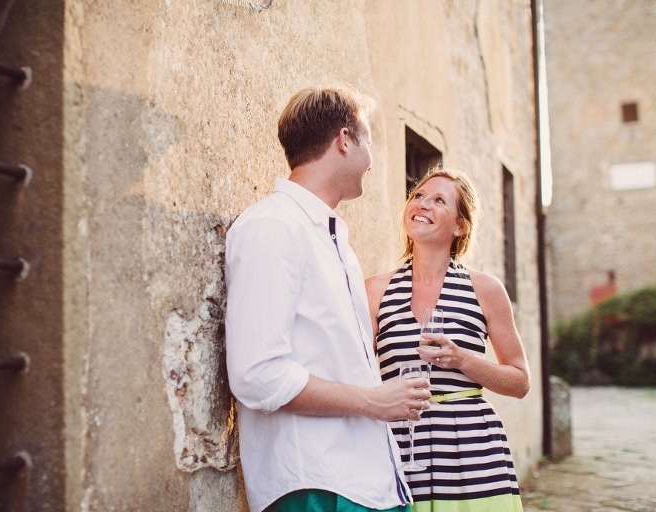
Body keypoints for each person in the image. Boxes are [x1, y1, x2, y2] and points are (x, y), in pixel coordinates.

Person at [225, 86, 431, 512]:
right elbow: (257, 373)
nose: (372, 160)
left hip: (366, 480)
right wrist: (376, 400)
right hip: (316, 485)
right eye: (368, 139)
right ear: (344, 140)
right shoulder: (273, 226)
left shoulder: (331, 238)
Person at [365, 167, 530, 512]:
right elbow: (359, 373)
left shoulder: (485, 289)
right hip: (399, 449)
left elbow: (519, 382)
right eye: (418, 196)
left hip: (474, 453)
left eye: (439, 200)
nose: (422, 204)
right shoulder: (375, 290)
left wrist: (462, 360)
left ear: (460, 226)